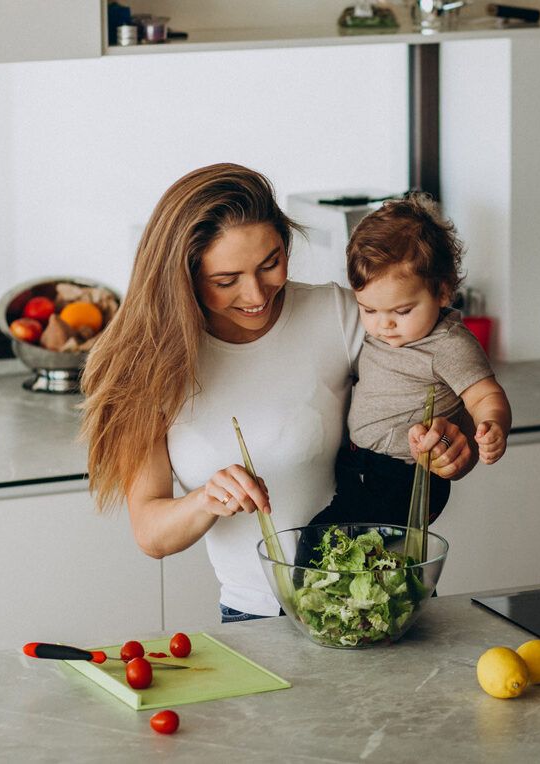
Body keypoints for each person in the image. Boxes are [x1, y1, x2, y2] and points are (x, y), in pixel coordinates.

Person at [78, 163, 473, 623]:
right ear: (180, 275)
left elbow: (444, 388)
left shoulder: (340, 316)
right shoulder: (147, 370)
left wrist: (451, 441)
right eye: (226, 281)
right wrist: (206, 499)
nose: (256, 294)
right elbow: (151, 534)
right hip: (256, 618)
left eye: (271, 263)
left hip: (385, 598)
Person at [306, 193, 512, 533]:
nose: (383, 324)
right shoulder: (380, 331)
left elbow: (485, 396)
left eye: (402, 311)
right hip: (359, 464)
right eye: (369, 310)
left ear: (443, 292)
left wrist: (493, 426)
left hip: (402, 476)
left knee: (320, 543)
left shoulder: (448, 344)